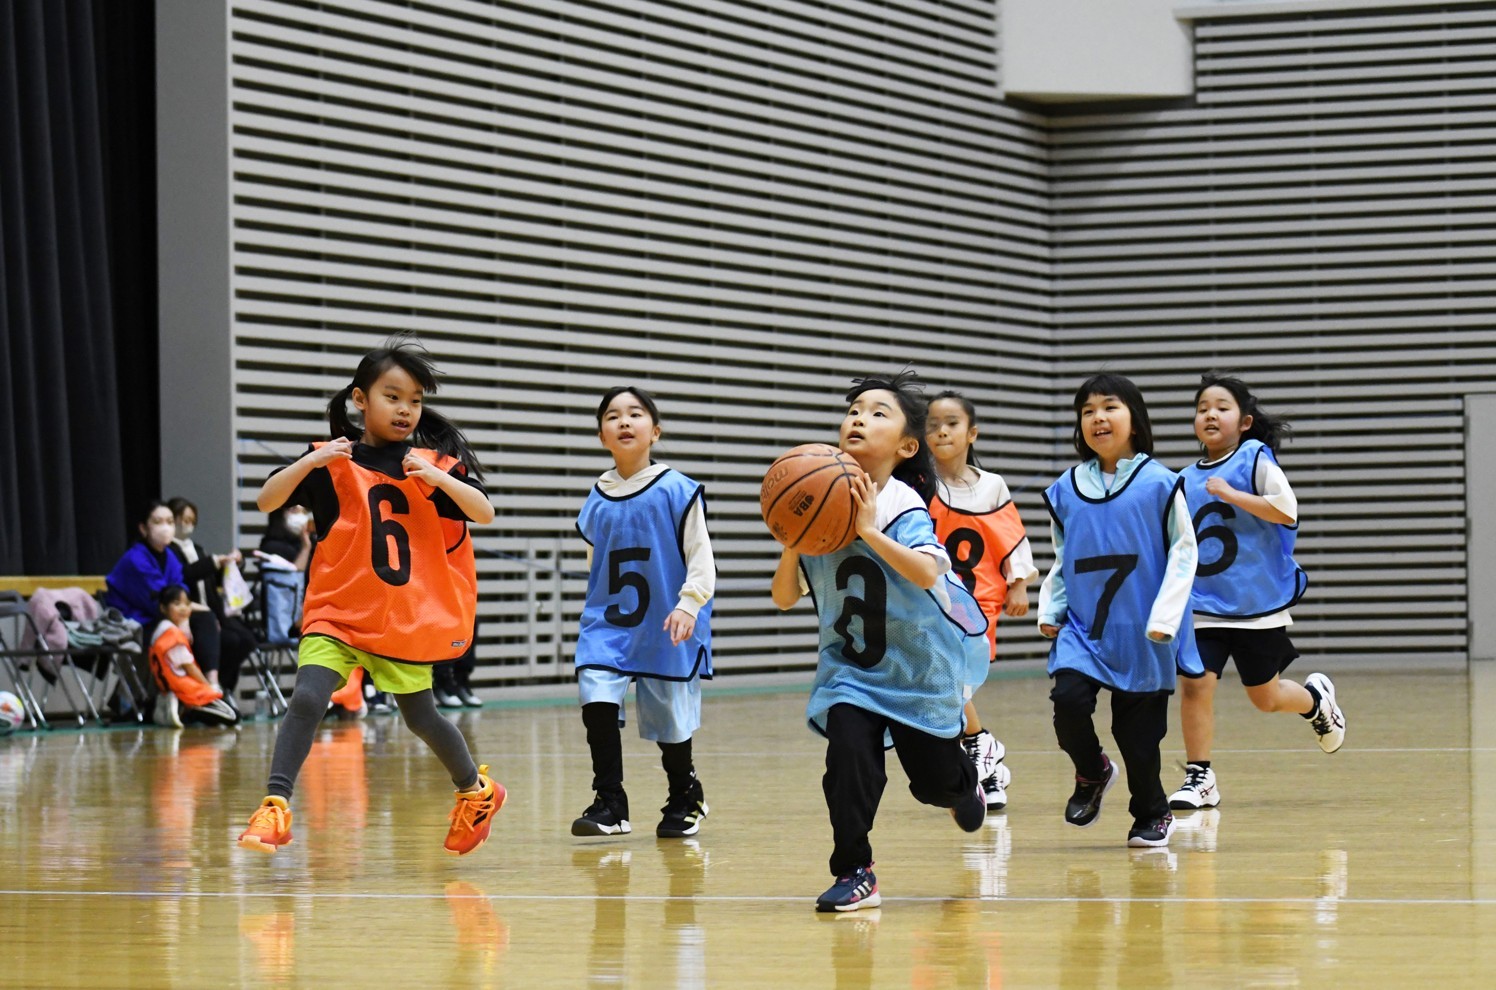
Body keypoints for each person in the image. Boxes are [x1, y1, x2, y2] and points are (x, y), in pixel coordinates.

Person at [236, 333, 503, 857]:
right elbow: (269, 498)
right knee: (308, 697)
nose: (406, 409)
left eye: (416, 401)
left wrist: (437, 479)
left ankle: (477, 791)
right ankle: (275, 805)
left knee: (421, 718)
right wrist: (309, 464)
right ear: (360, 399)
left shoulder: (431, 466)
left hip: (401, 620)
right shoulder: (330, 461)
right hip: (336, 612)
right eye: (393, 396)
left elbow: (484, 512)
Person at [771, 370, 990, 913]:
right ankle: (855, 870)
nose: (858, 419)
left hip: (918, 670)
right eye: (853, 412)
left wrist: (868, 530)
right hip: (850, 670)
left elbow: (925, 573)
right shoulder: (818, 498)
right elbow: (782, 597)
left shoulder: (900, 505)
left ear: (906, 446)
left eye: (877, 413)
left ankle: (965, 786)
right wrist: (792, 542)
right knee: (847, 760)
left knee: (933, 785)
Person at [1037, 373, 1202, 848]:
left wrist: (1166, 618)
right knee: (1068, 703)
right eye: (1087, 411)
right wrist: (1053, 606)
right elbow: (1063, 558)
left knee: (1139, 739)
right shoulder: (1066, 489)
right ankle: (1092, 771)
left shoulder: (1161, 484)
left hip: (1144, 631)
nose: (1098, 418)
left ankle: (1151, 811)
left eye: (1109, 407)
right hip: (1086, 629)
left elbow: (1184, 555)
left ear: (1135, 419)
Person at [1168, 373, 1346, 811]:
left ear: (1244, 421)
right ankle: (1200, 776)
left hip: (1256, 606)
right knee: (1195, 686)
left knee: (1265, 698)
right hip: (1204, 605)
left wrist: (1233, 494)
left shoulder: (1254, 459)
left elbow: (1287, 511)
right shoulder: (1184, 479)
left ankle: (1316, 702)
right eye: (1202, 407)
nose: (1210, 413)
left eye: (1221, 407)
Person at [571, 386, 715, 839]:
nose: (624, 421)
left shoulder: (677, 488)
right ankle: (610, 802)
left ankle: (684, 794)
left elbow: (701, 557)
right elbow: (596, 565)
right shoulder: (597, 496)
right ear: (601, 435)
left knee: (671, 723)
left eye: (636, 414)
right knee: (595, 698)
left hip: (668, 622)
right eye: (613, 416)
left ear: (655, 431)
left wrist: (689, 604)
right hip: (609, 623)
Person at [926, 390, 1037, 811]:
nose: (941, 430)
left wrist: (1020, 583)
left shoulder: (991, 486)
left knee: (957, 681)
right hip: (932, 597)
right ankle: (985, 759)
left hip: (980, 600)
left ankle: (981, 750)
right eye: (932, 423)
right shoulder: (917, 484)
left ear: (972, 432)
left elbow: (1011, 537)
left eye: (951, 422)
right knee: (948, 680)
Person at [167, 497, 256, 707]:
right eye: (182, 519)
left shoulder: (196, 548)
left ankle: (224, 686)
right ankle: (210, 687)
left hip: (214, 610)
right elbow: (186, 574)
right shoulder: (169, 550)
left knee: (247, 639)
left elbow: (211, 577)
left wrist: (233, 565)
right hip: (193, 614)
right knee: (229, 641)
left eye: (191, 520)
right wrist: (214, 562)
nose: (186, 524)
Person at [148, 585, 239, 727]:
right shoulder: (173, 635)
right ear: (163, 608)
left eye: (187, 604)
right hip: (186, 691)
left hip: (169, 689)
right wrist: (208, 686)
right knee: (233, 716)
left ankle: (178, 708)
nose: (184, 608)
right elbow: (189, 667)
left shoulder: (159, 633)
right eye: (177, 604)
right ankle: (185, 710)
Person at [104, 500, 185, 628]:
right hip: (133, 622)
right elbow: (157, 601)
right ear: (143, 528)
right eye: (158, 522)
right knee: (172, 628)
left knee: (205, 619)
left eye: (170, 522)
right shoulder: (135, 558)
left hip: (164, 615)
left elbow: (180, 589)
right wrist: (184, 614)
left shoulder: (170, 556)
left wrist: (184, 611)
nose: (165, 528)